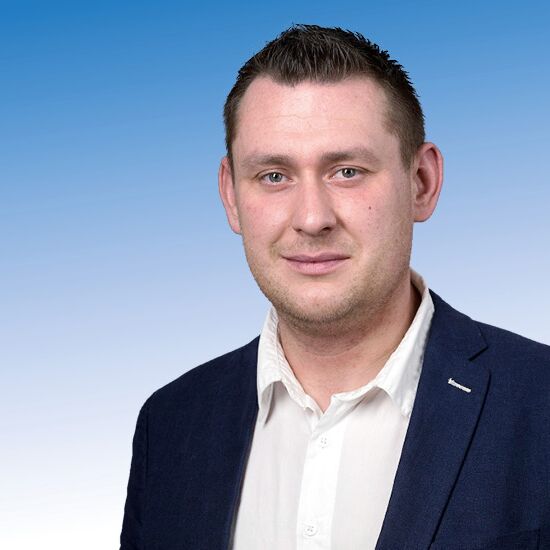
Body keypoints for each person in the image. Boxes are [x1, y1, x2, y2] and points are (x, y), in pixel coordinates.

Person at [120, 25, 550, 550]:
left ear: (422, 182)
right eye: (274, 176)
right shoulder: (169, 425)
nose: (311, 218)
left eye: (347, 171)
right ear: (231, 196)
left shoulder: (540, 403)